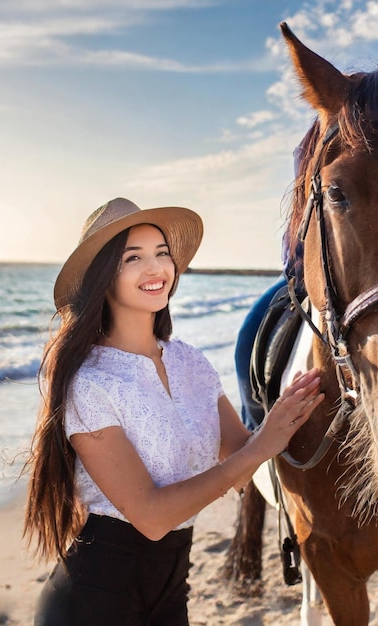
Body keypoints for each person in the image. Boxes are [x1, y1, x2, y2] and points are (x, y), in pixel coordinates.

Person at [23, 198, 324, 626]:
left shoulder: (191, 363)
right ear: (103, 277)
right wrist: (262, 445)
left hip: (171, 596)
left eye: (162, 254)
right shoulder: (90, 383)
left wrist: (297, 408)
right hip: (93, 603)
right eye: (134, 258)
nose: (156, 268)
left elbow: (243, 467)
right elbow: (150, 517)